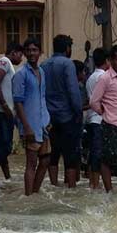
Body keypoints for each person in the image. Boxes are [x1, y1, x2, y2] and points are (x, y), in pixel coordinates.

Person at [89, 44, 117, 193]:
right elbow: (94, 101)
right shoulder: (105, 78)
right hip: (112, 124)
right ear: (111, 60)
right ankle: (109, 190)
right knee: (106, 159)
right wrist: (105, 113)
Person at [41, 34, 84, 188]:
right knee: (70, 155)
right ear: (67, 48)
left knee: (54, 153)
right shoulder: (67, 64)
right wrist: (78, 112)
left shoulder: (44, 64)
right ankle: (71, 188)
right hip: (67, 116)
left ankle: (54, 186)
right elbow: (73, 91)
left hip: (50, 117)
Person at [13, 38, 51, 195]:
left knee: (46, 159)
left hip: (43, 123)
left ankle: (34, 193)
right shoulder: (21, 74)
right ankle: (28, 196)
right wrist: (26, 126)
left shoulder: (41, 71)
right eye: (28, 50)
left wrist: (48, 119)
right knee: (31, 163)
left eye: (34, 50)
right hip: (30, 125)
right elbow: (18, 102)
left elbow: (42, 97)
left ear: (40, 52)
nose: (31, 53)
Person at [0, 43, 24, 181]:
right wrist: (5, 105)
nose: (21, 58)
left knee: (4, 147)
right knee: (6, 147)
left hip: (5, 112)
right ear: (14, 52)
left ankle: (7, 178)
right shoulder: (5, 61)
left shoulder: (8, 65)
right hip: (3, 112)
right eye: (20, 54)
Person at [84, 48, 109, 189]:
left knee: (93, 151)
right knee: (98, 153)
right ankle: (96, 183)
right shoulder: (104, 77)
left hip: (91, 119)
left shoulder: (90, 78)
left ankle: (92, 182)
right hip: (100, 119)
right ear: (106, 61)